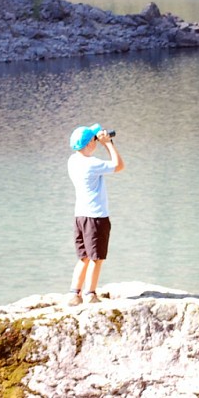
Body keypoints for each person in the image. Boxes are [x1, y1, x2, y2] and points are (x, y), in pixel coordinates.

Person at [66, 123, 125, 306]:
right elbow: (119, 165)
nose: (96, 141)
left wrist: (96, 140)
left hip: (80, 216)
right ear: (89, 144)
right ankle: (90, 294)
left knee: (83, 257)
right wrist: (108, 143)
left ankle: (74, 294)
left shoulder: (72, 161)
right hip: (96, 217)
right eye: (94, 140)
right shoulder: (92, 164)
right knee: (96, 258)